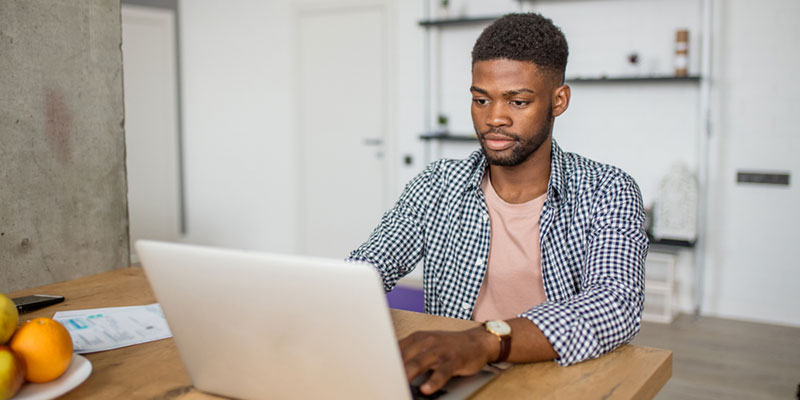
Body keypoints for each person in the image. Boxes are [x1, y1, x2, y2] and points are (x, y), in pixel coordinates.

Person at [348, 12, 649, 395]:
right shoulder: (437, 184)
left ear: (559, 100)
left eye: (518, 101)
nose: (494, 118)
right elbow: (370, 265)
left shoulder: (607, 190)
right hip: (453, 376)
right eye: (480, 99)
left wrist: (484, 341)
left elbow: (613, 303)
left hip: (559, 379)